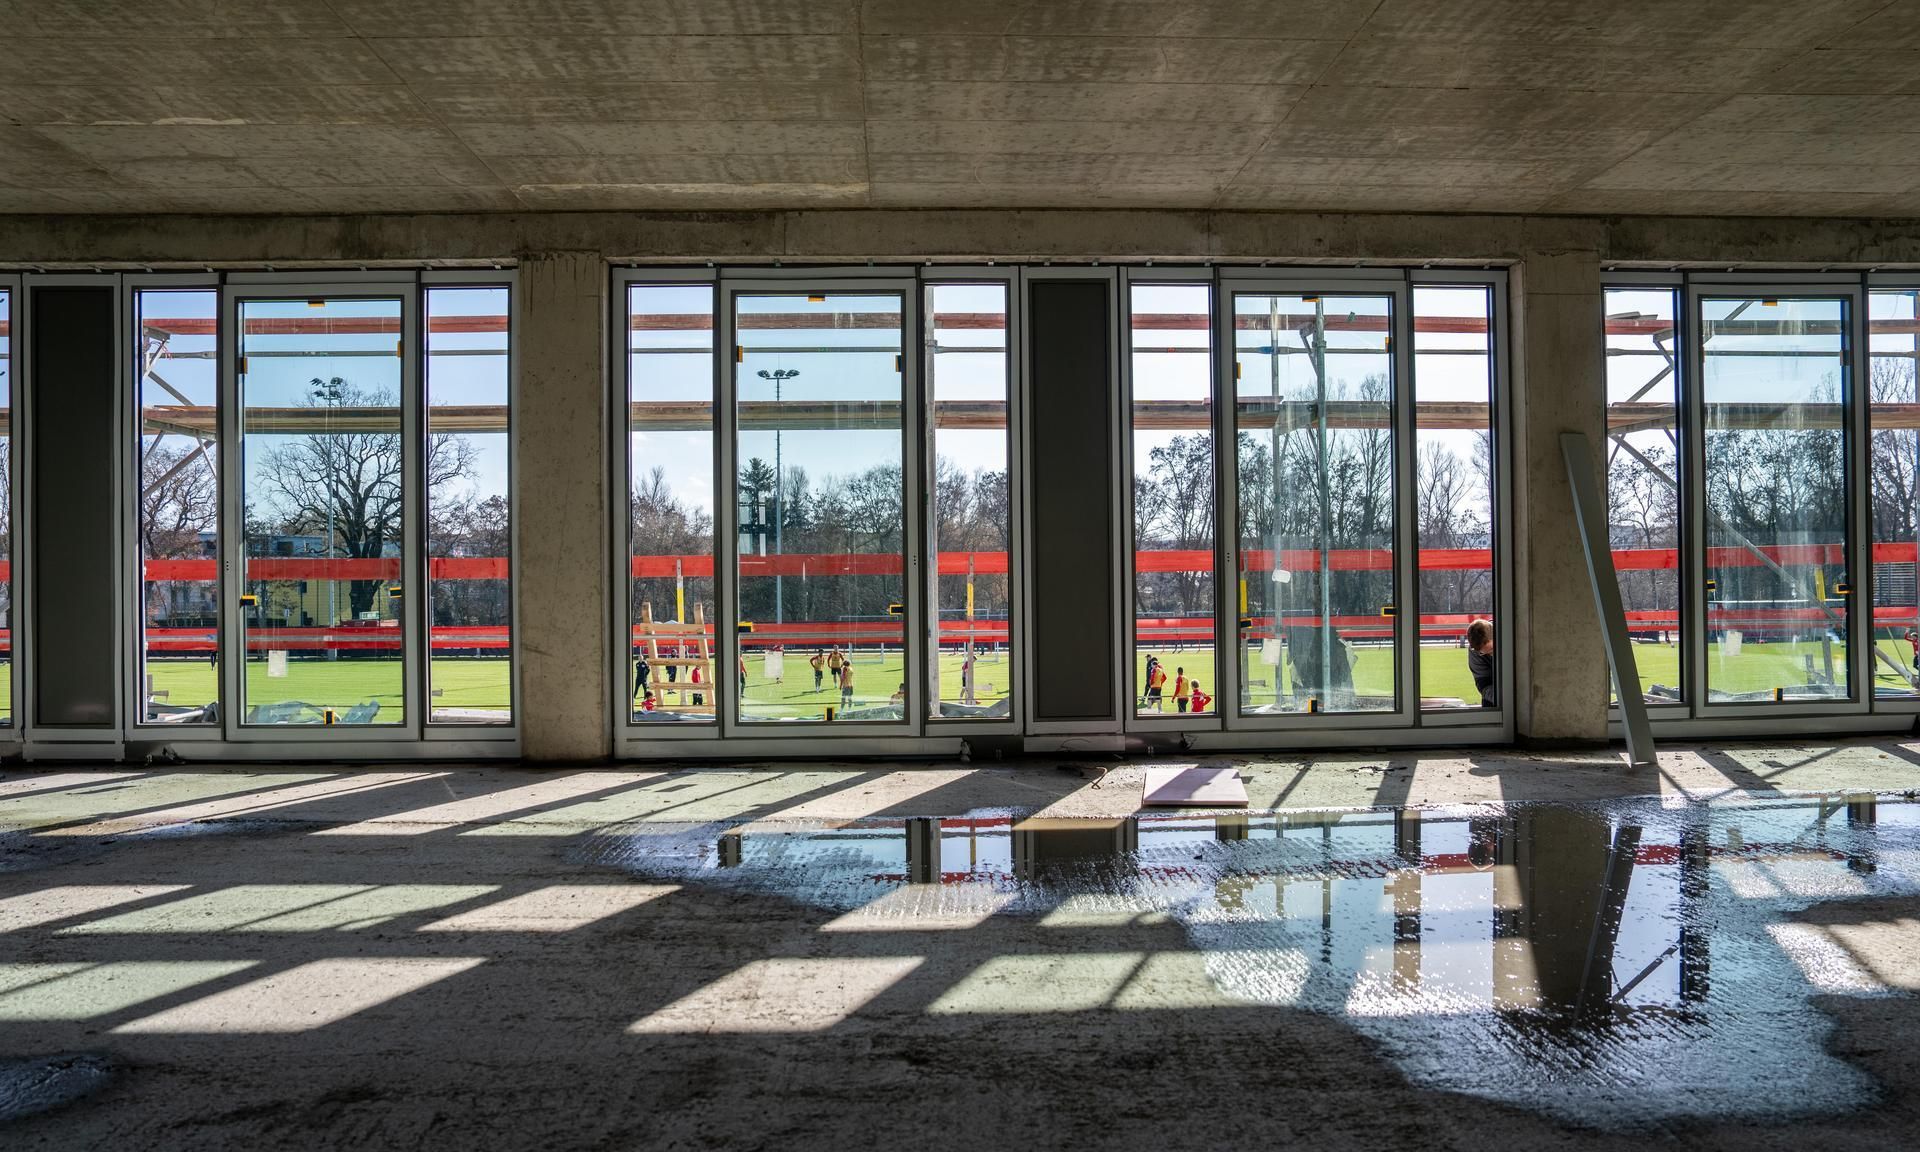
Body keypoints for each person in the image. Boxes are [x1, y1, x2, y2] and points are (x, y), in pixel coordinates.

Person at [1467, 618, 1495, 707]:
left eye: (1492, 649)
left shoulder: (1514, 635)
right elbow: (1484, 684)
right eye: (1483, 653)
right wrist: (1502, 699)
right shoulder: (1474, 652)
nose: (1491, 655)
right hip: (1493, 700)